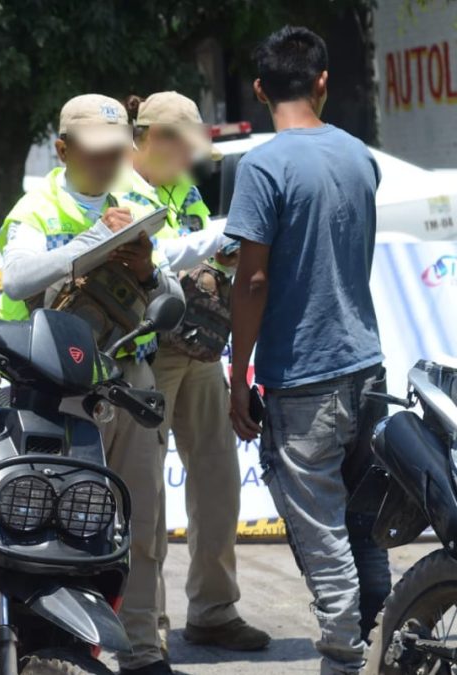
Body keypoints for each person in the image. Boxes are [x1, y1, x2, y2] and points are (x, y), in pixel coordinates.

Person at [0, 93, 183, 675]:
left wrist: (147, 271)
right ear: (62, 149)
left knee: (142, 517)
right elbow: (17, 275)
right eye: (95, 152)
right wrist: (91, 246)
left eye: (116, 151)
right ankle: (64, 643)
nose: (107, 163)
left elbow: (172, 297)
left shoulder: (138, 200)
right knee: (62, 517)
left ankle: (143, 648)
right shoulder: (38, 208)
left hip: (127, 377)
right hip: (57, 387)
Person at [224, 26, 390, 675]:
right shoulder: (358, 156)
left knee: (326, 545)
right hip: (367, 366)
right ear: (323, 82)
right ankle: (388, 643)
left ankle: (346, 663)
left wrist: (239, 376)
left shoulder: (262, 167)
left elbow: (253, 280)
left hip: (304, 381)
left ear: (261, 89)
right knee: (365, 529)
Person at [125, 91, 270, 654]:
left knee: (216, 478)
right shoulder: (121, 187)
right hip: (145, 352)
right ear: (155, 138)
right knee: (146, 493)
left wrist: (220, 260)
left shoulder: (183, 190)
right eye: (184, 146)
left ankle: (213, 609)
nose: (193, 160)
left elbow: (197, 254)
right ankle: (147, 628)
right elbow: (154, 255)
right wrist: (219, 239)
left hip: (198, 349)